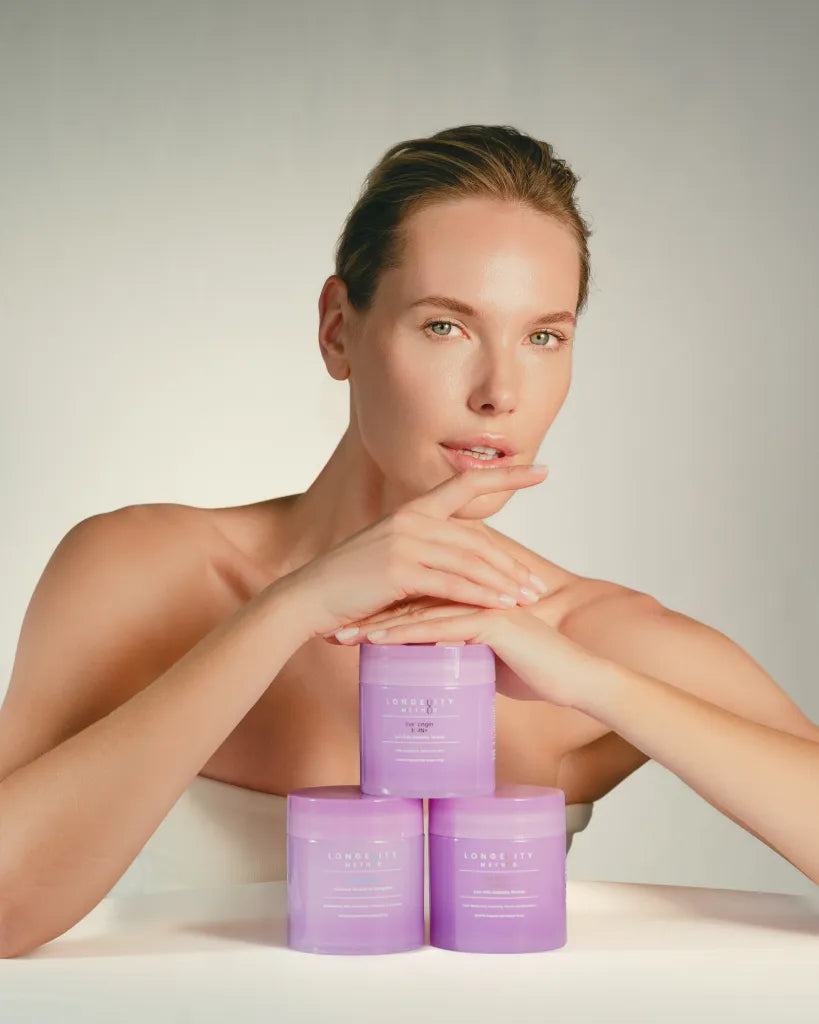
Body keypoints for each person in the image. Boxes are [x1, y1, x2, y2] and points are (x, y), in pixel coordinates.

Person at [1, 124, 817, 957]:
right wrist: (287, 610)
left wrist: (602, 688)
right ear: (337, 330)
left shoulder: (587, 639)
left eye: (543, 336)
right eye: (444, 326)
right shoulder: (142, 572)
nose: (500, 392)